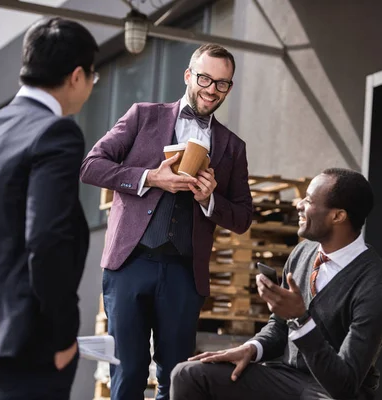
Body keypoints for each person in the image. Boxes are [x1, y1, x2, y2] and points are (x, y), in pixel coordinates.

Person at [79, 43, 252, 400]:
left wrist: (210, 200)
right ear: (189, 75)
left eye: (222, 83)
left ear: (229, 88)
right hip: (130, 265)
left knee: (177, 377)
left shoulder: (233, 147)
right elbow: (91, 165)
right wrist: (150, 178)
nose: (212, 89)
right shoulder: (144, 115)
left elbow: (243, 217)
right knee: (127, 370)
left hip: (184, 274)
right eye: (205, 78)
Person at [170, 168, 382, 400]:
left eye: (309, 201)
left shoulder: (376, 285)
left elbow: (345, 384)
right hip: (285, 378)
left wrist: (301, 319)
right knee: (188, 374)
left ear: (338, 216)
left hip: (330, 392)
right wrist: (252, 348)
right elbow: (279, 327)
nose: (298, 205)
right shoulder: (303, 252)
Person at [0, 17, 97, 400]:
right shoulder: (56, 131)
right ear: (77, 76)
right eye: (92, 77)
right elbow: (46, 239)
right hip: (28, 336)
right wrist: (63, 334)